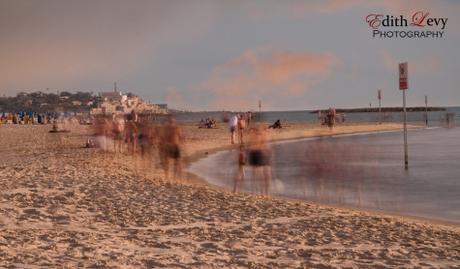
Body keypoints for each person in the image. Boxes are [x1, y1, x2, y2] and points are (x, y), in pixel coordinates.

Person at [247, 124, 272, 196]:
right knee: (259, 174)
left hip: (262, 154)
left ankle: (263, 192)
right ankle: (260, 192)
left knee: (263, 174)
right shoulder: (258, 136)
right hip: (258, 153)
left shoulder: (263, 136)